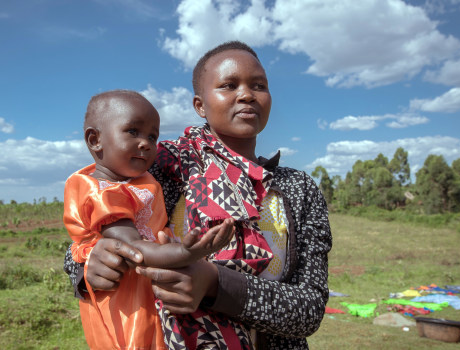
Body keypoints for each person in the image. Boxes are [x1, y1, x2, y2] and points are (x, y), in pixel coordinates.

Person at [65, 41, 333, 349]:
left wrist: (216, 284)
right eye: (229, 85)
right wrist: (89, 264)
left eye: (259, 85)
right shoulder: (163, 167)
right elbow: (91, 234)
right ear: (200, 105)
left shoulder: (297, 189)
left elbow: (309, 310)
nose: (247, 94)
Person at [63, 90, 235, 349]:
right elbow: (132, 248)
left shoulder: (140, 180)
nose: (145, 143)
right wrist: (186, 252)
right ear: (95, 139)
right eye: (133, 131)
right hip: (124, 299)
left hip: (146, 289)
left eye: (152, 136)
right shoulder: (99, 192)